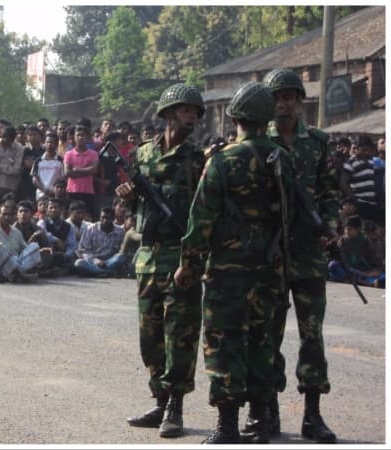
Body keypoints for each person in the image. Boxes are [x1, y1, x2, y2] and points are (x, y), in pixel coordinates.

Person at [174, 81, 295, 444]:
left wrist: (188, 264)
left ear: (235, 117)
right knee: (263, 340)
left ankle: (228, 426)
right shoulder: (282, 158)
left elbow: (201, 218)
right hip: (271, 267)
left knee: (225, 340)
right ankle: (259, 419)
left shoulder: (223, 161)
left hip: (229, 270)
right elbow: (292, 215)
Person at [116, 83, 206, 438]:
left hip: (181, 256)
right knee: (149, 336)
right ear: (168, 114)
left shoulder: (198, 160)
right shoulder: (143, 154)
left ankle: (175, 407)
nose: (191, 117)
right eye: (185, 110)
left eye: (195, 112)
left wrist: (195, 258)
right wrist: (127, 196)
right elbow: (136, 206)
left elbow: (205, 211)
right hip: (149, 257)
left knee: (180, 335)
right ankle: (160, 400)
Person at [261, 67, 340, 443]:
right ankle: (269, 410)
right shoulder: (259, 141)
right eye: (276, 98)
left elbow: (329, 191)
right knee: (268, 333)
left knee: (312, 335)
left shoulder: (318, 142)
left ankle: (312, 414)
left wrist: (331, 226)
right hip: (272, 249)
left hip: (308, 250)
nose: (282, 104)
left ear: (299, 101)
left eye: (288, 97)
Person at [0, 201, 47, 283]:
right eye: (4, 214)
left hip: (15, 263)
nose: (7, 217)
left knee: (34, 246)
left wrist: (38, 252)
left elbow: (25, 251)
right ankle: (21, 275)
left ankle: (16, 274)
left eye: (9, 215)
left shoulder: (16, 232)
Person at [74, 207, 126, 277]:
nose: (105, 220)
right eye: (102, 218)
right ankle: (108, 272)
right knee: (79, 263)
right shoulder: (90, 229)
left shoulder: (120, 231)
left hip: (110, 261)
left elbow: (122, 249)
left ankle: (98, 272)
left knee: (120, 257)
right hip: (93, 262)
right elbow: (83, 251)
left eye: (108, 218)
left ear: (113, 219)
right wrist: (96, 261)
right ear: (99, 218)